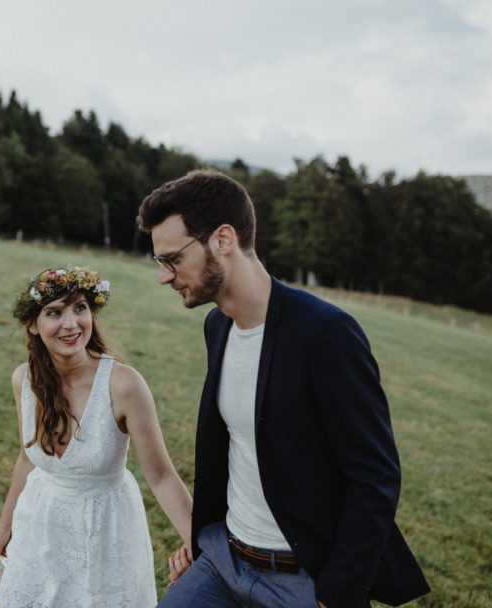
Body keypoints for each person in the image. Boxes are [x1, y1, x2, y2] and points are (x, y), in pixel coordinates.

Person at [137, 170, 430, 608]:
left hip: (304, 581)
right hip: (224, 562)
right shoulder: (217, 326)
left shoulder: (325, 333)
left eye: (173, 259)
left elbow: (375, 476)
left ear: (222, 239)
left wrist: (337, 594)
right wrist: (203, 548)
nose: (165, 276)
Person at [0, 266, 193, 608]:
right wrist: (5, 523)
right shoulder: (23, 380)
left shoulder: (124, 385)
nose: (71, 324)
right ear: (33, 325)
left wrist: (202, 547)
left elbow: (163, 476)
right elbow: (27, 457)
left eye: (80, 308)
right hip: (40, 521)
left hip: (105, 531)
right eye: (55, 312)